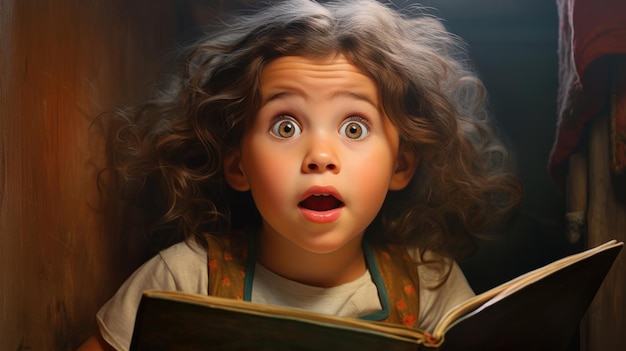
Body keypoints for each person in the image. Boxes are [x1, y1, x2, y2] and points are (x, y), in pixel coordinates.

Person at [78, 0, 522, 350]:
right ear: (238, 164)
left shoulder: (430, 284)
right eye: (285, 126)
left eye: (354, 127)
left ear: (401, 165)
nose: (321, 156)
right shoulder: (185, 279)